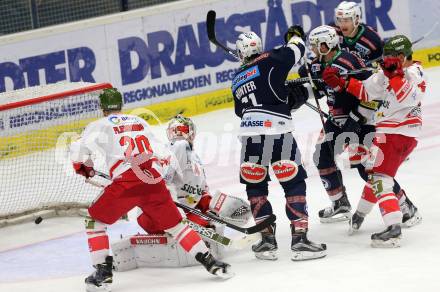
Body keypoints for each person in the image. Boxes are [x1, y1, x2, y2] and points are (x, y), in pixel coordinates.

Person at [70, 88, 232, 291]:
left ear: (102, 107)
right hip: (154, 182)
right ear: (121, 105)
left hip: (126, 184)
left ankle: (103, 274)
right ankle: (212, 263)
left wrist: (83, 168)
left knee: (95, 221)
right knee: (177, 226)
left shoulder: (98, 125)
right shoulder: (139, 121)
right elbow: (164, 153)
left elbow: (78, 152)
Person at [232, 27, 326, 261]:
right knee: (293, 181)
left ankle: (266, 240)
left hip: (250, 138)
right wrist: (293, 35)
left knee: (255, 186)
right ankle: (300, 239)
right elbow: (298, 48)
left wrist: (280, 95)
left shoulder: (236, 80)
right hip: (278, 132)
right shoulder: (272, 58)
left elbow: (241, 110)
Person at [322, 35, 426, 246]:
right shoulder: (384, 74)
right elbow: (365, 91)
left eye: (389, 56)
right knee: (375, 174)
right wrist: (341, 82)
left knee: (381, 180)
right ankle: (363, 214)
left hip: (398, 133)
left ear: (400, 56)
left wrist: (395, 74)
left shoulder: (415, 72)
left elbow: (408, 97)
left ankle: (393, 229)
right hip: (389, 134)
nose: (385, 59)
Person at [297, 25, 371, 223]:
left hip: (361, 119)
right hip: (336, 119)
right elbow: (320, 90)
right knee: (322, 156)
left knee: (367, 168)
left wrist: (356, 119)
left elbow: (372, 94)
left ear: (327, 44)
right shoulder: (317, 64)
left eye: (315, 45)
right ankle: (340, 204)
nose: (312, 49)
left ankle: (403, 204)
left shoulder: (349, 61)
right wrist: (299, 94)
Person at [137, 114, 251, 233]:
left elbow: (200, 188)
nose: (178, 135)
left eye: (182, 131)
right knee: (208, 230)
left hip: (169, 210)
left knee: (216, 218)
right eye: (175, 131)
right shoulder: (178, 147)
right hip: (156, 215)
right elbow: (161, 184)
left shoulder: (193, 156)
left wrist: (208, 204)